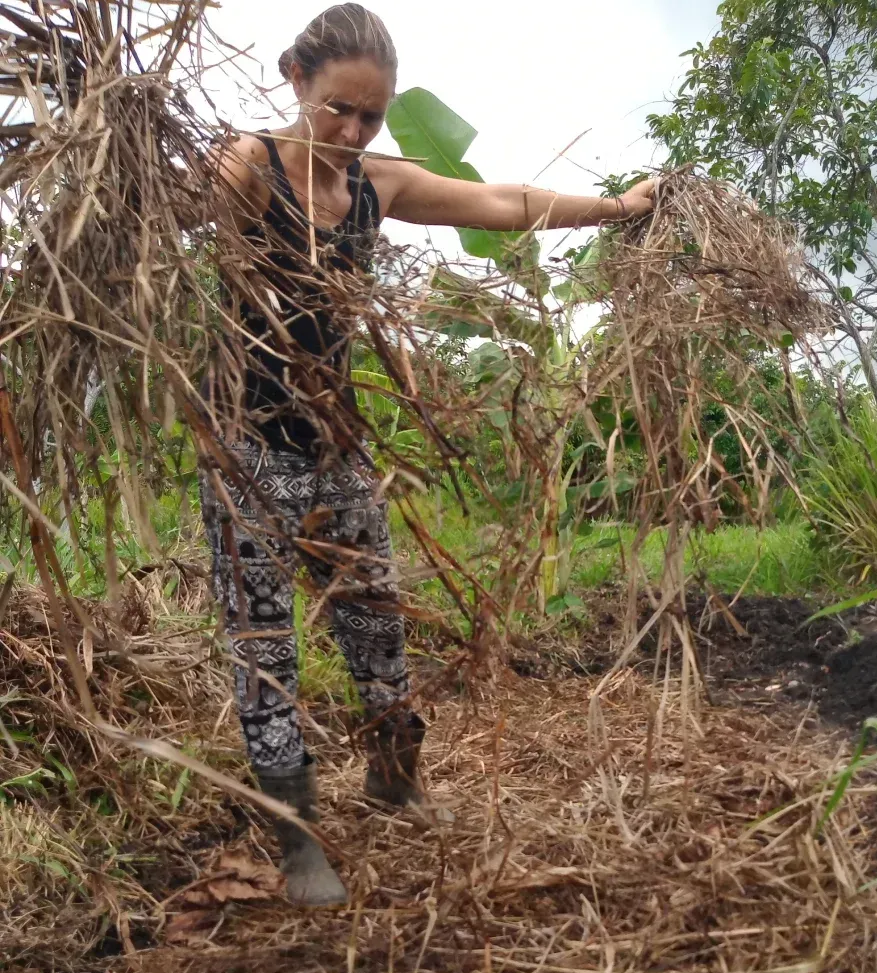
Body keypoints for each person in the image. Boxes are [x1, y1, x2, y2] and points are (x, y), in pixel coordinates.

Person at [204, 3, 656, 907]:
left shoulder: (378, 183)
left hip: (333, 446)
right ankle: (295, 840)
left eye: (371, 116)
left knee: (376, 621)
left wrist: (615, 208)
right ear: (296, 79)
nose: (352, 129)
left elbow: (500, 203)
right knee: (266, 649)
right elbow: (173, 204)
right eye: (338, 108)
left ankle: (395, 775)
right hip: (248, 450)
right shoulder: (250, 167)